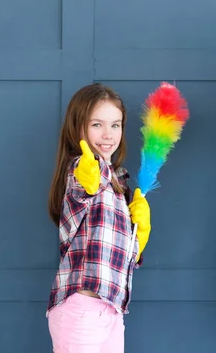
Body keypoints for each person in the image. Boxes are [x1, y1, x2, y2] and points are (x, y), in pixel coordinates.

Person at [46, 83, 151, 352]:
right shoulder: (81, 169)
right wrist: (86, 183)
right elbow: (81, 189)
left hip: (111, 309)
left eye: (115, 125)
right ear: (77, 127)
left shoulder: (117, 180)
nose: (108, 134)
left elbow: (115, 253)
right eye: (97, 124)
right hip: (82, 310)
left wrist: (139, 237)